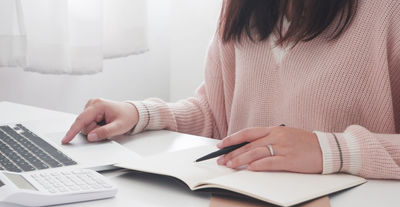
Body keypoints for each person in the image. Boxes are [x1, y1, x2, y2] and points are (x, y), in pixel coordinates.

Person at [62, 0, 400, 179]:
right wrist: (142, 114)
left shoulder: (388, 11)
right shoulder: (240, 6)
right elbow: (217, 114)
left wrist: (332, 150)